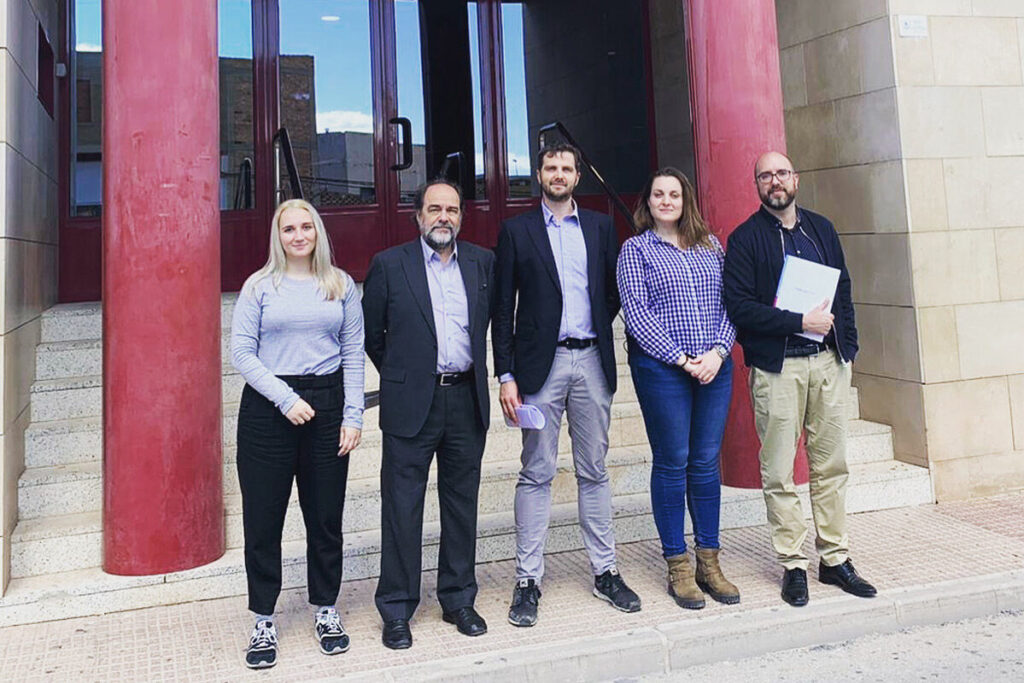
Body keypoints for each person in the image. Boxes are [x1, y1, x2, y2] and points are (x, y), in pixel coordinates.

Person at [493, 143, 640, 627]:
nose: (559, 175)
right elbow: (501, 309)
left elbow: (614, 289)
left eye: (567, 169)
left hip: (592, 361)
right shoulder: (517, 230)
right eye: (551, 168)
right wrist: (507, 374)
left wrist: (595, 322)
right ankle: (527, 579)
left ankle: (605, 571)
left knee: (594, 469)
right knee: (536, 470)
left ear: (578, 176)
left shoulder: (600, 226)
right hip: (541, 367)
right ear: (539, 174)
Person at [722, 151, 877, 607]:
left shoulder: (821, 229)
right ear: (757, 185)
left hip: (828, 363)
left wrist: (847, 344)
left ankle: (834, 558)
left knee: (831, 465)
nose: (775, 181)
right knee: (778, 471)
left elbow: (843, 288)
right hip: (779, 367)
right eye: (765, 175)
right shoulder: (745, 239)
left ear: (796, 178)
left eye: (782, 172)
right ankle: (792, 563)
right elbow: (740, 308)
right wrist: (797, 322)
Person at [230, 199, 364, 669]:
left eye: (307, 226)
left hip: (327, 407)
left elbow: (353, 352)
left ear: (318, 232)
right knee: (263, 521)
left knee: (325, 519)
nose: (299, 235)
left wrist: (353, 416)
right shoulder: (259, 287)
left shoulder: (340, 285)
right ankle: (263, 618)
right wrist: (285, 399)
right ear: (278, 236)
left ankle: (325, 609)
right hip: (269, 411)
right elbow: (243, 353)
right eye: (289, 228)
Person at [362, 179, 495, 649]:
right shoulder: (389, 265)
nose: (444, 217)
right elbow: (372, 335)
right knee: (402, 507)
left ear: (461, 216)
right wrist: (403, 375)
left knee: (461, 504)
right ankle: (397, 607)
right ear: (418, 216)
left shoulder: (482, 262)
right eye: (434, 209)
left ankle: (458, 598)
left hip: (465, 399)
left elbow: (492, 326)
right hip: (411, 403)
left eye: (452, 210)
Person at [616, 167, 739, 610]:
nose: (666, 201)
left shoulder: (711, 247)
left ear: (685, 199)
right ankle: (678, 566)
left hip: (714, 367)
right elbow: (638, 314)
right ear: (647, 202)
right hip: (663, 371)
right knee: (673, 462)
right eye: (657, 194)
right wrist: (683, 359)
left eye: (673, 194)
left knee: (706, 463)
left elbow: (732, 303)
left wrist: (719, 353)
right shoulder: (635, 251)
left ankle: (710, 562)